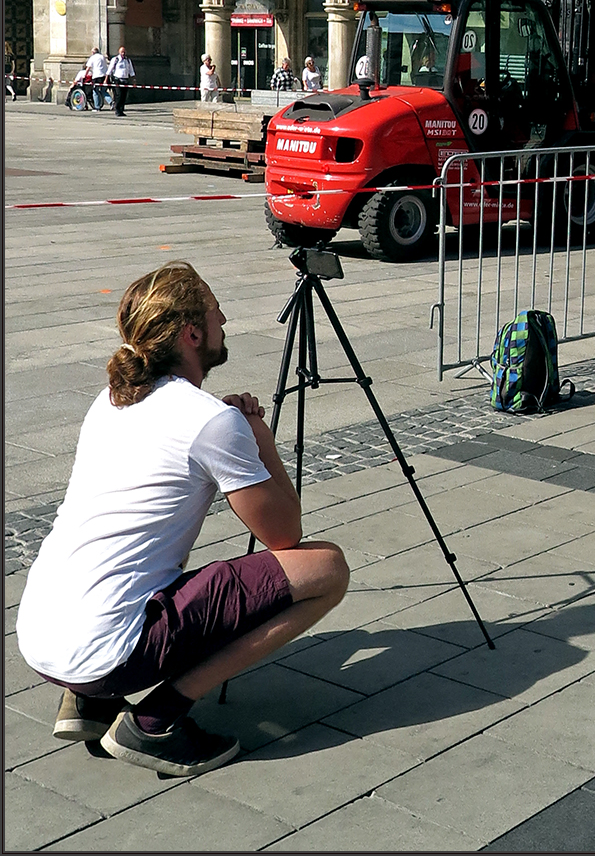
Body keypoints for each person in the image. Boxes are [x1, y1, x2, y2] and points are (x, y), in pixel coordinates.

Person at [15, 261, 350, 777]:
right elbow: (285, 535)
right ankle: (154, 722)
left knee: (140, 555)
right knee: (327, 569)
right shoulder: (212, 422)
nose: (225, 320)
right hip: (103, 647)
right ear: (193, 333)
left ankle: (84, 702)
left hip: (40, 637)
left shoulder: (111, 400)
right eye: (217, 311)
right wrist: (259, 437)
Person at [106, 45, 136, 116]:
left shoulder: (128, 60)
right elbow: (109, 69)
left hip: (125, 80)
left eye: (124, 52)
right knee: (118, 95)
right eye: (122, 52)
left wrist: (134, 80)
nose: (123, 53)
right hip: (117, 79)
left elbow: (131, 71)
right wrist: (106, 79)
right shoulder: (115, 59)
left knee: (124, 95)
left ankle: (121, 110)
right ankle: (117, 109)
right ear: (119, 52)